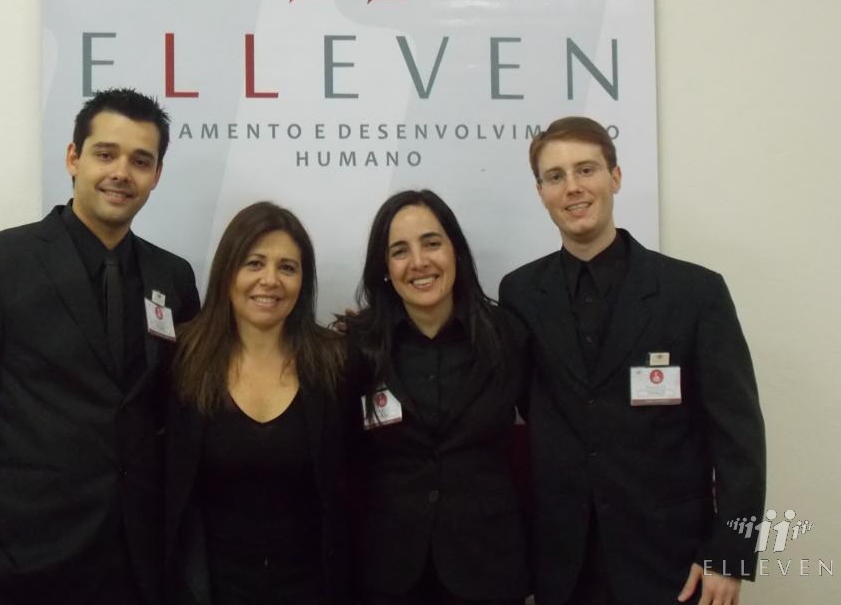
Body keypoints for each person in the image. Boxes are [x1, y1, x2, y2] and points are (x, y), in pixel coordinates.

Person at [0, 88, 200, 605]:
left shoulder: (173, 277)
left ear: (157, 175)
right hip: (13, 569)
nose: (121, 173)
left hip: (133, 570)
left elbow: (172, 414)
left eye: (141, 161)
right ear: (73, 158)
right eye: (105, 154)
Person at [498, 116, 766, 605]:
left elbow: (738, 438)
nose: (572, 187)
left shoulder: (695, 292)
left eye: (586, 170)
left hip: (671, 563)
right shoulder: (519, 294)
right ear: (541, 192)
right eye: (555, 176)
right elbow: (522, 407)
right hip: (562, 565)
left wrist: (730, 554)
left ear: (615, 177)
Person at [345, 189, 530, 605]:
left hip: (489, 568)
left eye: (431, 243)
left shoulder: (508, 336)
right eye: (400, 251)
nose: (419, 262)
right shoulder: (358, 347)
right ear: (385, 268)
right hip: (389, 572)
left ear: (455, 251)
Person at [164, 202, 348, 605]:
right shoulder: (181, 359)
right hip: (208, 589)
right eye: (254, 263)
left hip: (312, 589)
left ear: (303, 281)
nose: (270, 280)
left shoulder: (335, 363)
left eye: (287, 267)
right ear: (228, 272)